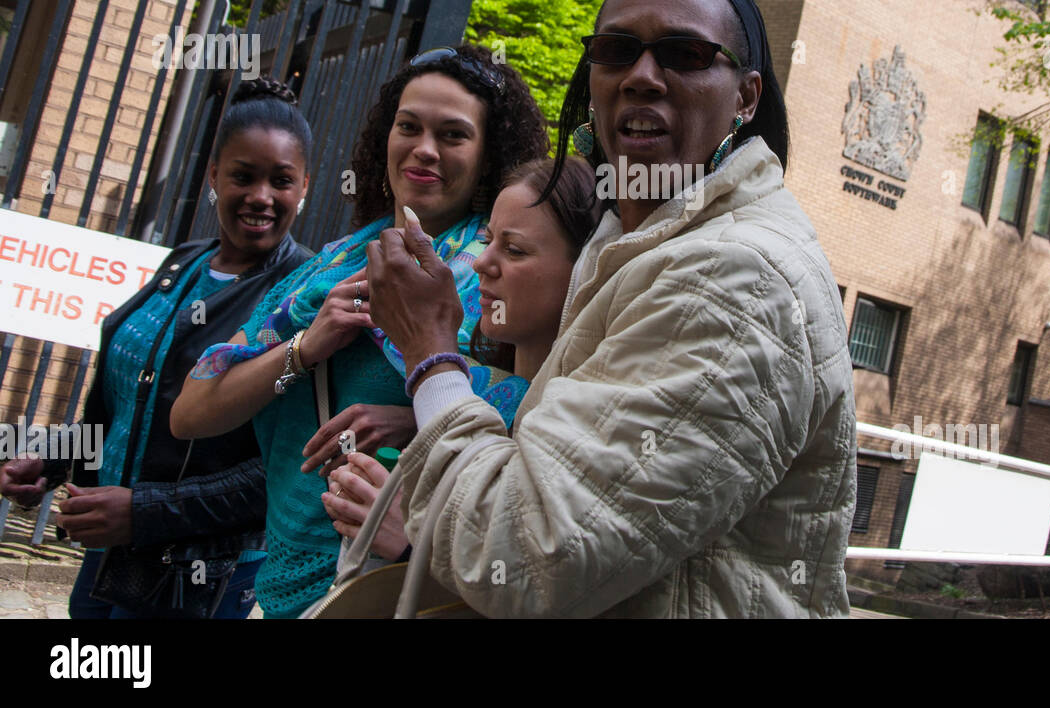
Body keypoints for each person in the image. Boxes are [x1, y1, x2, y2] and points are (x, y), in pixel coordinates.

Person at [368, 0, 857, 617]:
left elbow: (528, 554)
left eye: (685, 54)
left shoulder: (737, 278)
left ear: (745, 97)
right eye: (617, 50)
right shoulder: (634, 242)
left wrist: (430, 354)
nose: (643, 76)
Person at [170, 44, 549, 618]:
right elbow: (192, 411)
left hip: (397, 583)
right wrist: (305, 347)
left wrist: (418, 412)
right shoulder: (327, 272)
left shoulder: (504, 274)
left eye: (453, 135)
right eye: (409, 127)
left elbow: (548, 421)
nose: (424, 149)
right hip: (279, 588)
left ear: (488, 153)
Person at [0, 77, 314, 618]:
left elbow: (289, 467)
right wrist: (55, 461)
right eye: (243, 176)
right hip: (114, 560)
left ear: (304, 185)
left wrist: (145, 512)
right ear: (214, 175)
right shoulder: (184, 264)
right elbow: (136, 408)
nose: (261, 197)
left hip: (202, 581)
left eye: (281, 181)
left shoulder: (304, 296)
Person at [321, 157, 601, 560]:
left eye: (515, 250)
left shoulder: (580, 424)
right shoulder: (455, 395)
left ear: (584, 269)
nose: (483, 264)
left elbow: (547, 576)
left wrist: (413, 544)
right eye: (488, 241)